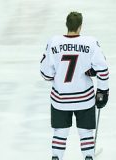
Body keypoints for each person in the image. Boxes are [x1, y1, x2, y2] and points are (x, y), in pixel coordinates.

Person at [40, 11, 109, 160]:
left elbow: (46, 73)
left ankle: (56, 157)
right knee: (86, 133)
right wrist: (103, 90)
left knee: (60, 133)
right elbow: (102, 68)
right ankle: (88, 157)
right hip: (84, 98)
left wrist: (58, 76)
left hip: (60, 99)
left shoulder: (54, 42)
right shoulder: (90, 42)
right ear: (80, 27)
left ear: (67, 25)